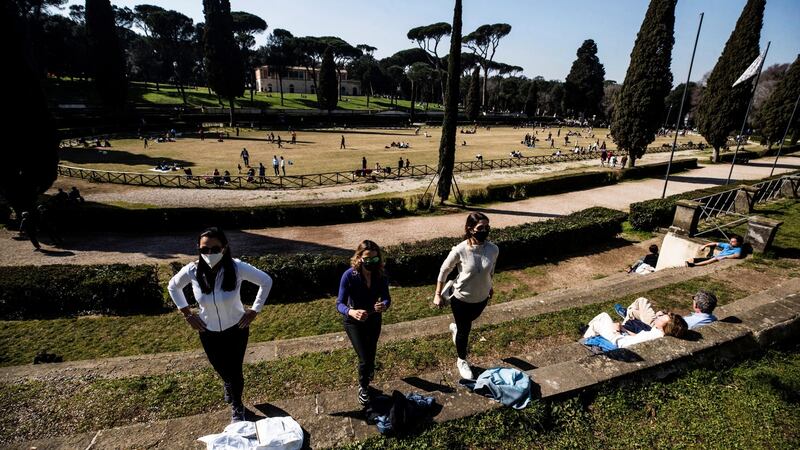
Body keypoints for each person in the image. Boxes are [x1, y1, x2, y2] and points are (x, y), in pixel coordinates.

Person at [168, 228, 273, 422]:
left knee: (235, 370)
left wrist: (255, 310)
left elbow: (266, 281)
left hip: (237, 328)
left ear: (224, 248)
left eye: (214, 248)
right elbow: (173, 286)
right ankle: (227, 383)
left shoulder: (236, 267)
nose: (209, 254)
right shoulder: (192, 270)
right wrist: (187, 314)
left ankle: (237, 406)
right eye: (204, 249)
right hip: (207, 330)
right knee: (220, 367)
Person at [434, 212, 499, 379]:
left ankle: (456, 328)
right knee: (465, 330)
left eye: (487, 227)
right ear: (470, 229)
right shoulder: (460, 250)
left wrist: (490, 286)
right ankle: (461, 360)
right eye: (480, 228)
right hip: (461, 298)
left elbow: (491, 270)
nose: (484, 230)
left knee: (468, 322)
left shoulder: (493, 249)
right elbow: (444, 270)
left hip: (482, 298)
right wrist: (437, 294)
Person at [336, 240, 391, 406]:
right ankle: (364, 386)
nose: (372, 262)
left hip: (374, 318)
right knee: (364, 358)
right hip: (353, 322)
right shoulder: (349, 275)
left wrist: (384, 305)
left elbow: (387, 298)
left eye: (375, 259)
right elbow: (339, 303)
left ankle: (368, 371)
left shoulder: (380, 274)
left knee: (371, 351)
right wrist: (351, 311)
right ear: (359, 257)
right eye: (368, 259)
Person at [583, 297, 688, 350]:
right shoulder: (657, 332)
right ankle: (588, 333)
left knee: (598, 322)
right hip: (624, 335)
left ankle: (585, 340)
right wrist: (624, 330)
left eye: (661, 318)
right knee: (603, 316)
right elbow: (638, 337)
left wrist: (617, 332)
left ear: (664, 327)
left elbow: (624, 344)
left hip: (618, 340)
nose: (658, 315)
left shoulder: (654, 335)